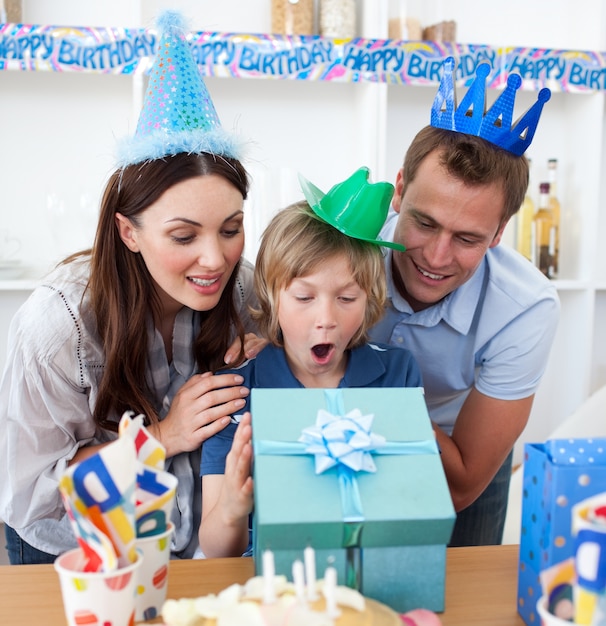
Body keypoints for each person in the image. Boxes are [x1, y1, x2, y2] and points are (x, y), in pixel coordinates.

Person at [0, 11, 263, 564]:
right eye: (184, 235)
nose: (215, 258)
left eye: (232, 229)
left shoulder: (245, 294)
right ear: (129, 231)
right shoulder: (60, 325)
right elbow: (35, 490)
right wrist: (163, 435)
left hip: (186, 555)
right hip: (76, 556)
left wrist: (279, 362)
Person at [368, 58, 560, 546]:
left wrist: (369, 398)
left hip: (453, 456)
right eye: (425, 223)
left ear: (499, 232)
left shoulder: (526, 308)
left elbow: (461, 482)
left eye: (468, 238)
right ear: (398, 191)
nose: (435, 257)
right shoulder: (336, 249)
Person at [197, 166, 423, 558]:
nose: (326, 318)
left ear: (370, 300)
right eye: (304, 298)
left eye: (347, 299)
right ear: (271, 296)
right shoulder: (235, 392)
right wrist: (232, 511)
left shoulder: (398, 375)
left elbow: (411, 509)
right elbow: (216, 551)